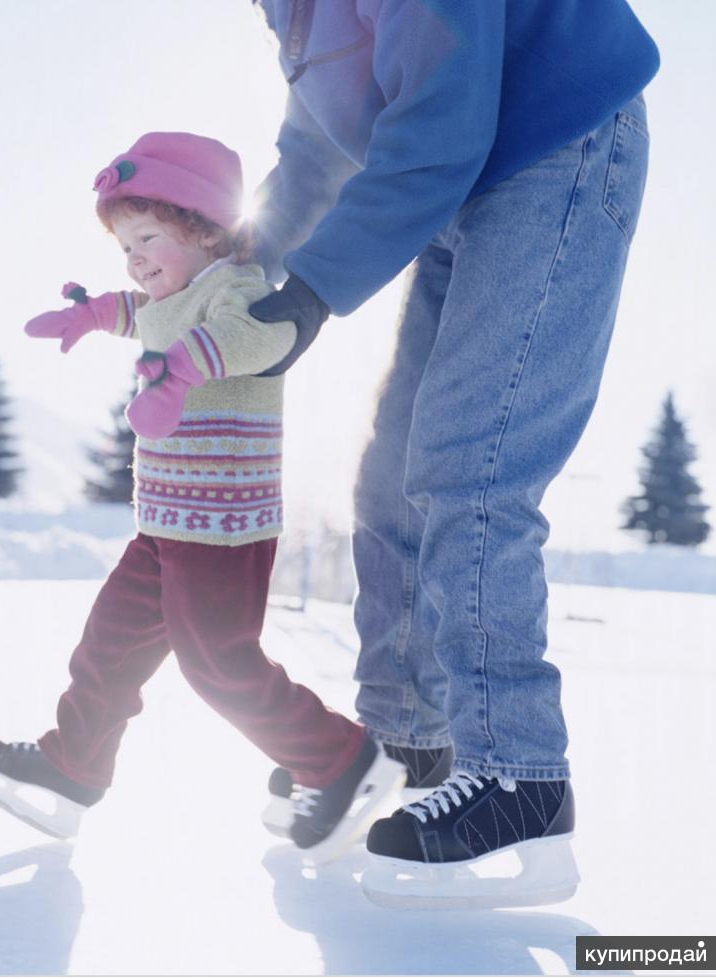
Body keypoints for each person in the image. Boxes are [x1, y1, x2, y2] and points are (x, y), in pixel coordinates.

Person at [245, 1, 660, 906]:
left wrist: (310, 292)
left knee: (473, 464)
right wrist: (229, 273)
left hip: (558, 144)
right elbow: (312, 150)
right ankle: (407, 739)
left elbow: (440, 118)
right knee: (390, 478)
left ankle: (520, 775)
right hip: (464, 186)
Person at [0, 131, 407, 864]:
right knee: (106, 645)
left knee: (219, 663)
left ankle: (342, 760)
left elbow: (254, 339)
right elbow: (136, 313)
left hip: (224, 529)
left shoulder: (236, 288)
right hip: (164, 526)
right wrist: (90, 314)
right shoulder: (168, 297)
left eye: (147, 237)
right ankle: (73, 764)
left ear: (203, 228)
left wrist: (186, 366)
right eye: (124, 246)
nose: (135, 259)